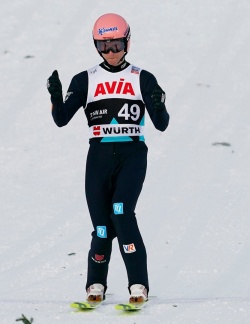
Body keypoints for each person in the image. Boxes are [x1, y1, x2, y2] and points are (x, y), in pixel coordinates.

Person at [46, 13, 170, 304]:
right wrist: (55, 97)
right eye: (104, 46)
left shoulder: (142, 77)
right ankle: (96, 284)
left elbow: (161, 124)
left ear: (128, 42)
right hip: (99, 155)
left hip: (132, 154)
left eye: (117, 45)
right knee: (102, 226)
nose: (112, 53)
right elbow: (62, 120)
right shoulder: (85, 80)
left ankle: (138, 284)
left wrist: (158, 104)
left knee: (121, 211)